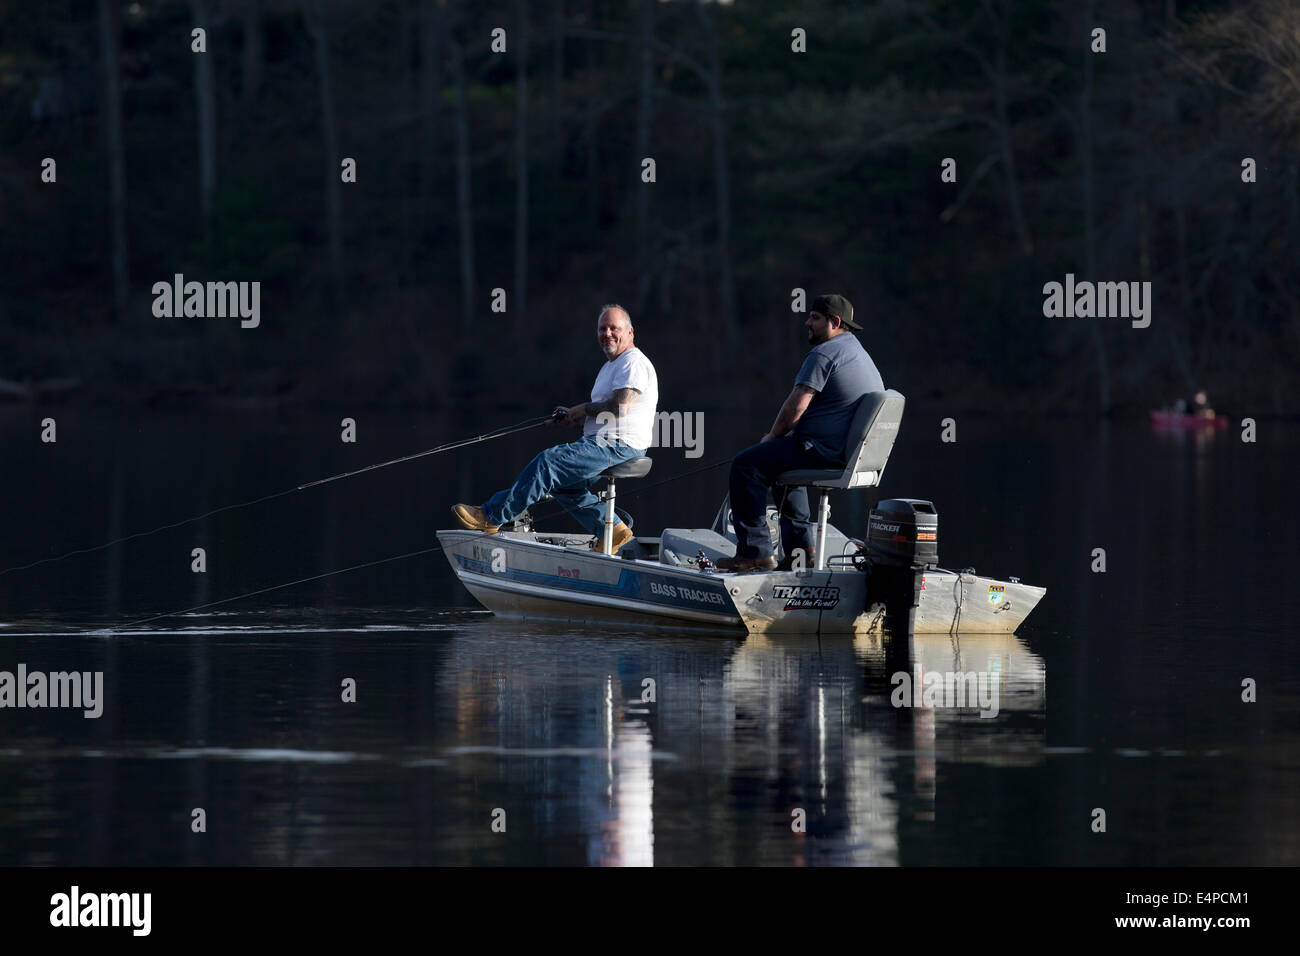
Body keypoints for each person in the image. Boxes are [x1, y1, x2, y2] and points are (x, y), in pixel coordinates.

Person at [452, 304, 658, 554]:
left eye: (614, 328)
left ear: (630, 332)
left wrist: (581, 409)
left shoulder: (632, 361)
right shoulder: (610, 367)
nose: (607, 333)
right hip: (606, 441)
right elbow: (608, 414)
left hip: (618, 444)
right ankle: (612, 531)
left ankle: (491, 516)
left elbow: (621, 407)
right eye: (602, 329)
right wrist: (575, 418)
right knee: (563, 485)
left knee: (547, 463)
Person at [717, 294, 883, 572]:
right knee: (781, 469)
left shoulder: (824, 354)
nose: (807, 322)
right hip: (843, 453)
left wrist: (772, 436)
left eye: (815, 318)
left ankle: (754, 552)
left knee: (746, 465)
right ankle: (800, 553)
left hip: (822, 451)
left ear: (835, 322)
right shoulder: (858, 352)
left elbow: (796, 405)